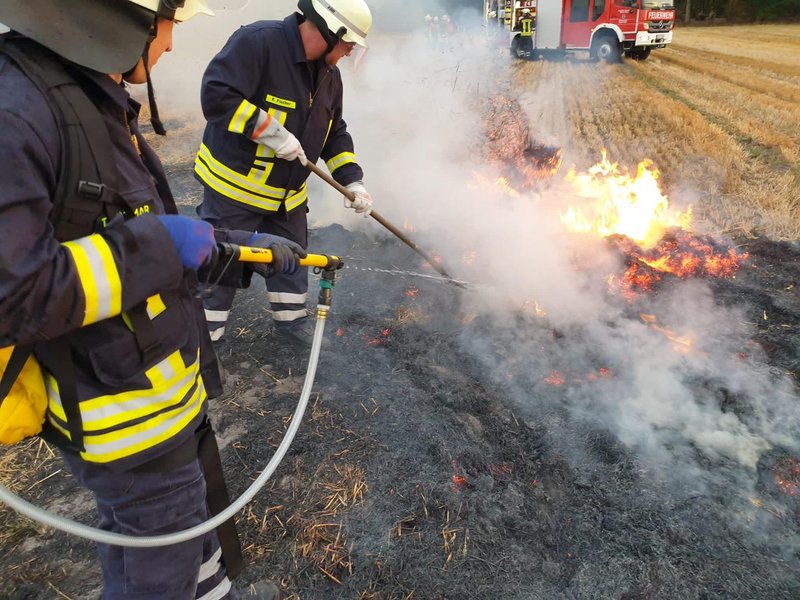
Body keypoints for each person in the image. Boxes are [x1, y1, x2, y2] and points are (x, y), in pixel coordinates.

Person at [0, 1, 305, 598]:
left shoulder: (83, 96)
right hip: (125, 422)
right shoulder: (21, 113)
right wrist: (160, 245)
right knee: (157, 572)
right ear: (123, 16)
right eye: (168, 26)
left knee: (192, 544)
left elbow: (136, 234)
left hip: (160, 401)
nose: (167, 46)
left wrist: (240, 245)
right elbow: (16, 294)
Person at [194, 0, 374, 349]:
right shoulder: (258, 42)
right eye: (348, 43)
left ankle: (291, 325)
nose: (351, 51)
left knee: (294, 258)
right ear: (328, 30)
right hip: (235, 187)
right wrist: (269, 131)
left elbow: (334, 133)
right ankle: (203, 341)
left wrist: (353, 181)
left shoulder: (329, 76)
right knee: (222, 262)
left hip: (287, 197)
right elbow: (217, 94)